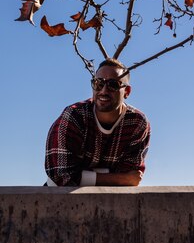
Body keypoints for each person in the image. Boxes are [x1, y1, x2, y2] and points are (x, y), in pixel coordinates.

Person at [45, 58, 151, 186]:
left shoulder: (137, 123)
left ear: (127, 92)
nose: (104, 91)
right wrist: (117, 178)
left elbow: (131, 176)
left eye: (113, 85)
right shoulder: (74, 116)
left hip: (110, 199)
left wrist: (83, 176)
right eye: (98, 83)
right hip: (60, 197)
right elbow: (60, 175)